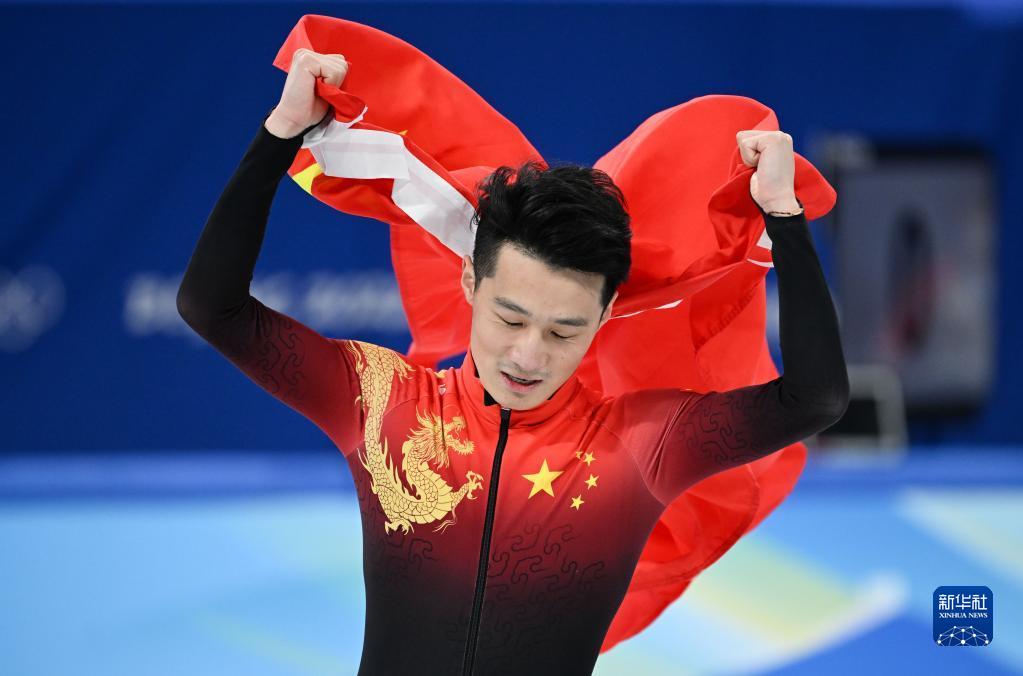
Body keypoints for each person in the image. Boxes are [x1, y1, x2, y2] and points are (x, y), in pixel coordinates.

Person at [177, 47, 848, 676]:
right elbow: (211, 307)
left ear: (605, 316)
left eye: (563, 331)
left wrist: (782, 214)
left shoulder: (642, 445)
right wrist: (282, 130)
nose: (529, 356)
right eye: (510, 319)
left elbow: (814, 399)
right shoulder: (381, 400)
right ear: (470, 282)